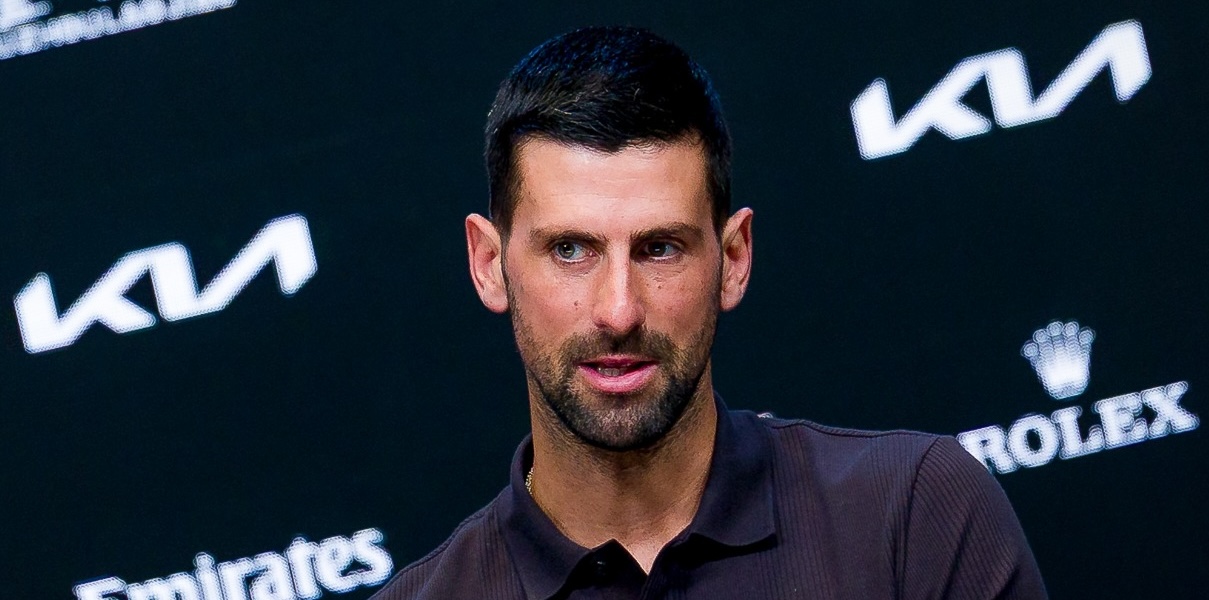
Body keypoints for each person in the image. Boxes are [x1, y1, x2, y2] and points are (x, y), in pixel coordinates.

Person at [371, 25, 1047, 599]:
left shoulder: (915, 516)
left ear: (733, 257)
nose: (618, 310)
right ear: (489, 264)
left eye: (659, 248)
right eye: (570, 250)